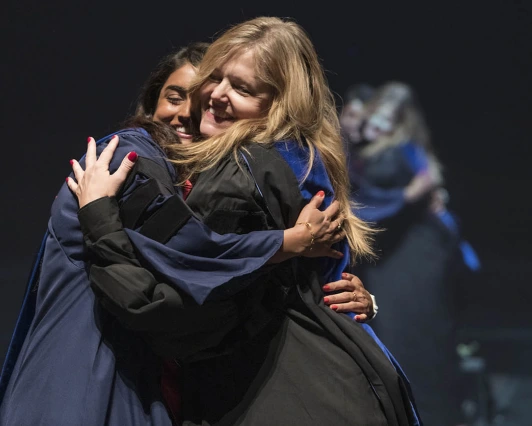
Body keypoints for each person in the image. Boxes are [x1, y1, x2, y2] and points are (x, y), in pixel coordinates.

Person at [68, 17, 422, 425]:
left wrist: (98, 216)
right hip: (348, 379)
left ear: (279, 102)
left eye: (241, 88)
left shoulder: (238, 174)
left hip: (288, 396)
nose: (216, 95)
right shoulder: (304, 159)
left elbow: (168, 315)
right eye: (214, 77)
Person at [0, 43, 371, 426]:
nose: (183, 115)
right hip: (82, 375)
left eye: (199, 105)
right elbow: (185, 250)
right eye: (173, 97)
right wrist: (289, 242)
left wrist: (349, 294)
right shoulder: (128, 158)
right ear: (150, 102)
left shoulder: (195, 182)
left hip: (143, 382)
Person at [349, 81, 481, 426]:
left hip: (409, 259)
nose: (381, 118)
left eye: (390, 113)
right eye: (379, 108)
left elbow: (368, 208)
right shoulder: (377, 149)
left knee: (414, 345)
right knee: (404, 343)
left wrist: (411, 195)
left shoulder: (396, 151)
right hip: (399, 257)